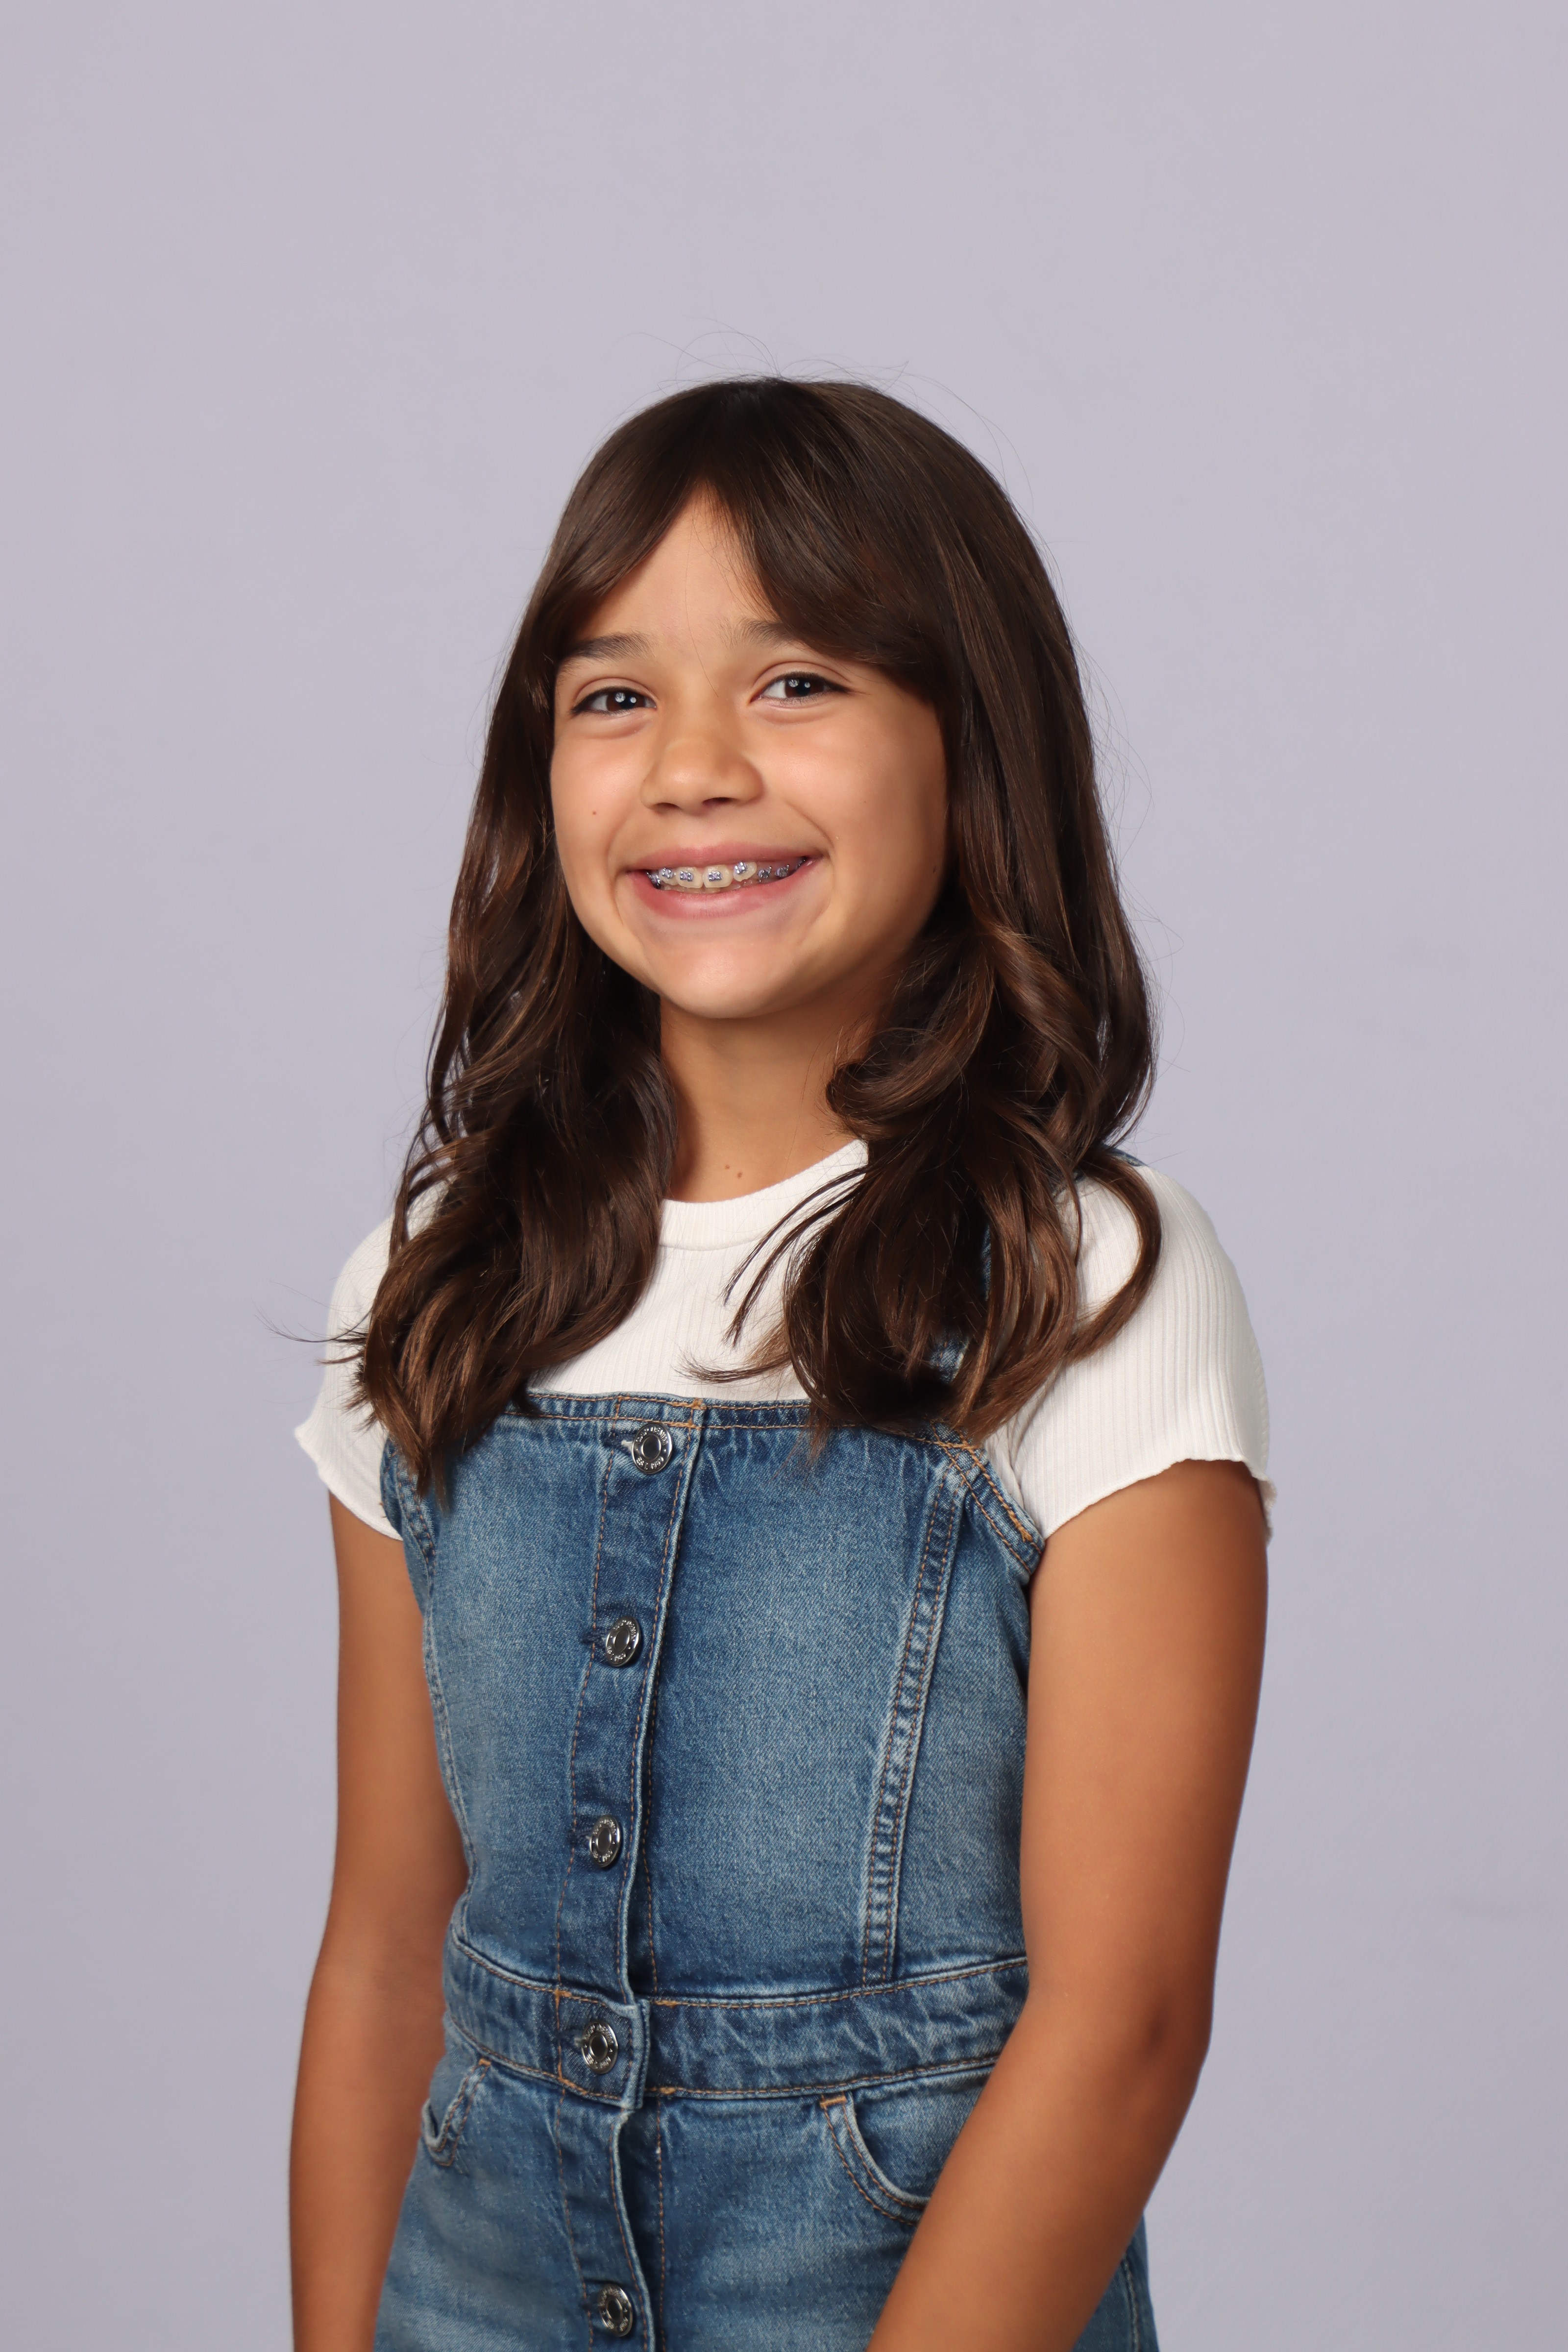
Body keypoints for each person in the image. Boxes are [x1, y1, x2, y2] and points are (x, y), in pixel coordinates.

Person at [291, 377, 1270, 2352]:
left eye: (797, 681)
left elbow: (1123, 2022)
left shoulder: (1081, 1284)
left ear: (968, 747)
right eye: (612, 695)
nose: (692, 769)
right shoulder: (439, 1278)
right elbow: (389, 1949)